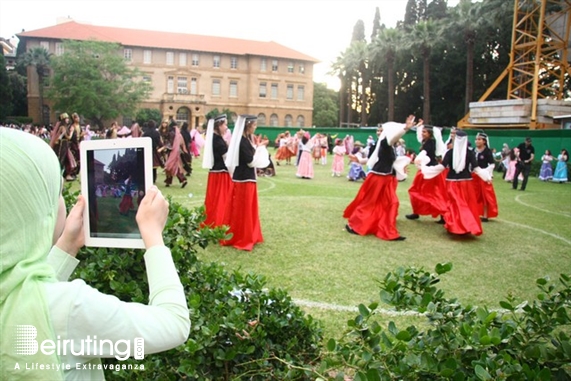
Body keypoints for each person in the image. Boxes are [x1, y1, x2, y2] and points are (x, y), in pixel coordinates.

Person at [0, 127, 190, 380]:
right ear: (36, 212)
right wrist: (154, 238)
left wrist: (67, 246)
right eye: (54, 192)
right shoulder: (70, 308)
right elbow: (173, 323)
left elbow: (27, 298)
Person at [343, 116, 415, 241]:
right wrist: (405, 129)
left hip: (386, 179)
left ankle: (387, 229)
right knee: (370, 203)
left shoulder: (389, 146)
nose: (379, 132)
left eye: (381, 130)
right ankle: (356, 225)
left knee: (391, 203)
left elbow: (377, 159)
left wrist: (360, 160)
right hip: (378, 178)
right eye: (379, 130)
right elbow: (390, 141)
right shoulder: (386, 142)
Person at [221, 115, 269, 251]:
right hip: (244, 180)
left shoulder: (246, 140)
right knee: (243, 208)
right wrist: (260, 150)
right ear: (248, 126)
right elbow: (249, 161)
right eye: (254, 125)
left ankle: (247, 233)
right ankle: (242, 235)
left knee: (245, 208)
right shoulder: (242, 141)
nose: (255, 127)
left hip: (246, 178)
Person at [439, 129, 489, 236]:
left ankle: (457, 226)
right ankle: (466, 225)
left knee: (454, 204)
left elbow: (441, 167)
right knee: (464, 204)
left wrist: (426, 170)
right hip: (466, 182)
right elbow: (476, 168)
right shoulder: (470, 153)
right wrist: (486, 176)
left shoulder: (450, 153)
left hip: (453, 182)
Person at [405, 125, 447, 223]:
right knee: (418, 190)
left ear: (429, 134)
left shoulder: (431, 143)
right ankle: (417, 212)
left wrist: (417, 159)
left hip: (430, 171)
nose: (422, 133)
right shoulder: (426, 142)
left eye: (424, 132)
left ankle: (443, 215)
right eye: (422, 132)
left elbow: (424, 153)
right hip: (426, 169)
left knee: (432, 193)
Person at [202, 114, 233, 228]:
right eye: (224, 124)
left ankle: (213, 222)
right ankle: (220, 222)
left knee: (214, 200)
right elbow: (227, 158)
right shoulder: (218, 140)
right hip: (221, 174)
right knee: (222, 201)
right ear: (218, 125)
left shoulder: (213, 138)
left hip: (215, 173)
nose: (226, 127)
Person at [473, 132, 498, 222]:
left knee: (485, 196)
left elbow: (492, 164)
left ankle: (485, 215)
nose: (477, 141)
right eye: (476, 139)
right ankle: (474, 213)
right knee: (473, 195)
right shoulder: (473, 151)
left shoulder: (487, 152)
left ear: (484, 141)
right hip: (474, 176)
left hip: (483, 177)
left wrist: (486, 173)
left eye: (479, 139)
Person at [164, 121, 188, 188]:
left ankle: (169, 181)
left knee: (169, 166)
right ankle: (182, 180)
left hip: (171, 152)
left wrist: (165, 147)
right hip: (176, 152)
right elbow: (181, 142)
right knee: (175, 166)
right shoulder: (178, 134)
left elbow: (169, 143)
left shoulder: (170, 133)